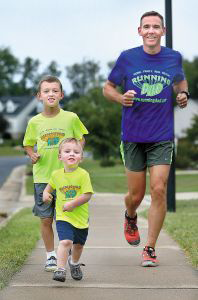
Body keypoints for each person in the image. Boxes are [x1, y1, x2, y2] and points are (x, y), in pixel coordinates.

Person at [103, 11, 189, 267]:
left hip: (162, 135)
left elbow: (180, 82)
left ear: (163, 31)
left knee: (159, 189)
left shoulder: (173, 58)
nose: (151, 31)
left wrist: (183, 94)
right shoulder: (127, 58)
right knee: (136, 195)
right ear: (139, 31)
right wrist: (120, 98)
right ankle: (130, 215)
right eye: (146, 27)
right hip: (133, 135)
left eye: (156, 27)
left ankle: (150, 247)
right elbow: (107, 88)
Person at [23, 75, 88, 272]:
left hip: (67, 177)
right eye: (46, 91)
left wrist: (75, 154)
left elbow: (81, 138)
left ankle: (65, 247)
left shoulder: (71, 118)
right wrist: (32, 154)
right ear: (39, 96)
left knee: (68, 216)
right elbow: (27, 143)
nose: (51, 94)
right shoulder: (34, 122)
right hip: (43, 177)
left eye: (54, 90)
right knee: (46, 219)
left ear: (61, 94)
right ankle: (51, 255)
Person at [43, 138, 93, 282]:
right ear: (60, 156)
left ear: (81, 158)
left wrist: (73, 204)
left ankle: (75, 263)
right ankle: (60, 269)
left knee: (78, 246)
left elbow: (87, 195)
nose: (72, 154)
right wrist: (46, 193)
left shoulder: (83, 175)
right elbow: (49, 187)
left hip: (81, 219)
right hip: (63, 217)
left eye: (76, 152)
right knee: (65, 242)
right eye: (67, 151)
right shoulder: (56, 174)